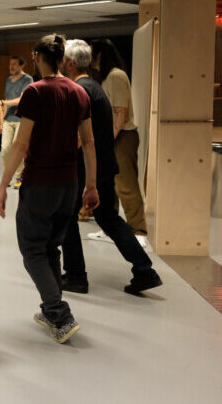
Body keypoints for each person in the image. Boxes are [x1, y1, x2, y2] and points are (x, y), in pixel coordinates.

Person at [0, 34, 99, 344]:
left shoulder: (34, 92)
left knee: (31, 250)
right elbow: (89, 143)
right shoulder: (79, 92)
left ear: (38, 57)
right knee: (51, 246)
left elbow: (22, 142)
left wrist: (3, 185)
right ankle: (50, 310)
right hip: (69, 185)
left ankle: (59, 312)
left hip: (40, 184)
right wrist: (90, 185)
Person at [60, 40, 162, 295]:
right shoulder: (94, 87)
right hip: (103, 164)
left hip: (87, 167)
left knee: (66, 218)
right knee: (108, 217)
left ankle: (75, 276)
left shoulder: (80, 91)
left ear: (70, 64)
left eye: (62, 60)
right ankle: (144, 270)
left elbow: (81, 136)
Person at [90, 39, 148, 247]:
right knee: (108, 186)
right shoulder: (106, 77)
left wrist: (106, 140)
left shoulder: (116, 75)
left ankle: (138, 230)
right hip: (111, 136)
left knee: (126, 185)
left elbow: (120, 113)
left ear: (99, 55)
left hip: (122, 136)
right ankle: (110, 227)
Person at [0, 56, 33, 189]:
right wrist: (1, 122)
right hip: (8, 119)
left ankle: (19, 176)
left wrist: (3, 102)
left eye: (14, 64)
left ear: (21, 66)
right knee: (5, 149)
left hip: (21, 119)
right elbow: (7, 99)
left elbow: (21, 100)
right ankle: (8, 175)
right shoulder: (8, 80)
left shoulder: (28, 79)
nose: (11, 67)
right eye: (10, 64)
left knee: (17, 148)